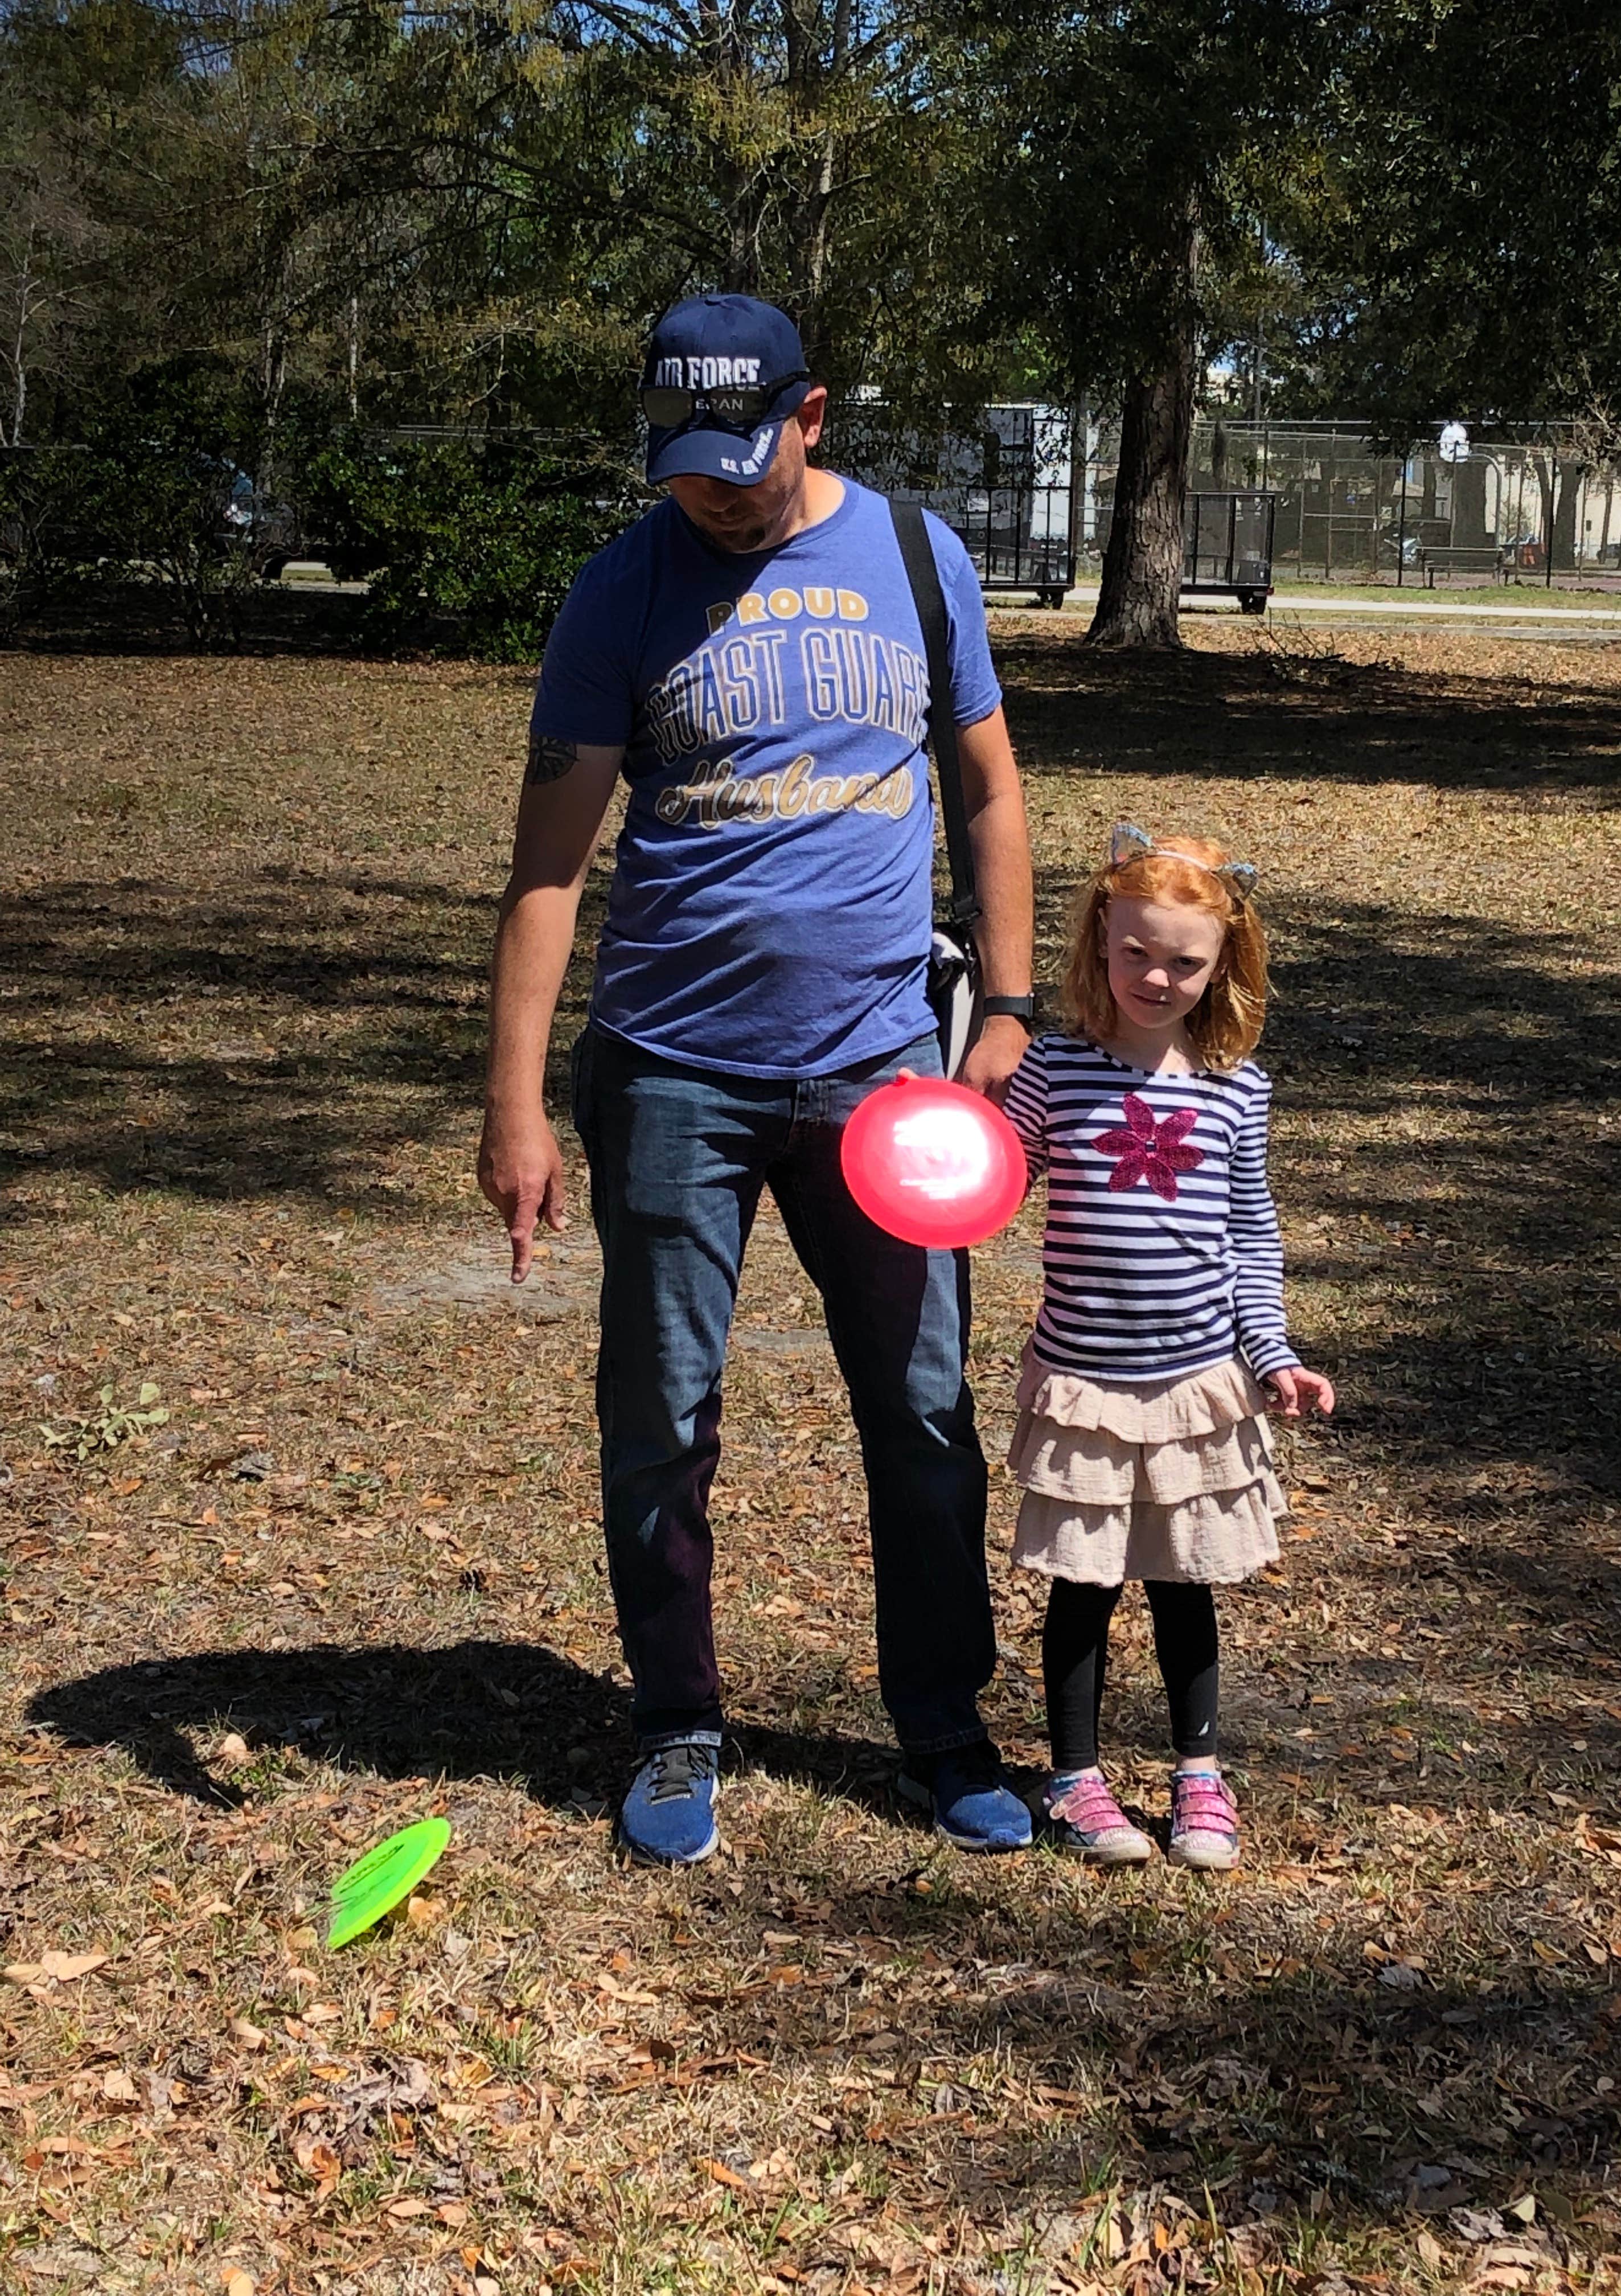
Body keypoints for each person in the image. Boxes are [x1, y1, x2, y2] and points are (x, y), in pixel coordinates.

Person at [477, 293, 1039, 1866]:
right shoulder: (620, 590)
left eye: (743, 455)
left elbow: (988, 792)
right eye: (684, 461)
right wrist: (512, 1102)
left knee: (923, 1414)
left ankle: (945, 1732)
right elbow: (546, 873)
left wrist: (1004, 1009)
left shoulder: (920, 561)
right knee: (658, 1415)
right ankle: (675, 1726)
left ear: (814, 414)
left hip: (884, 1082)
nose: (715, 490)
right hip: (672, 1077)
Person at [1000, 827, 1335, 1871]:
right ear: (1101, 939)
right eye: (1137, 951)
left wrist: (1273, 1353)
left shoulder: (1238, 1088)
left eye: (1185, 961)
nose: (1158, 976)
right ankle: (1075, 1777)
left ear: (1223, 962)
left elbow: (1250, 1234)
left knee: (1185, 1584)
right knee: (1085, 1584)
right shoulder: (1054, 1065)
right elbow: (998, 1172)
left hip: (1198, 1382)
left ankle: (1199, 1776)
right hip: (1087, 1383)